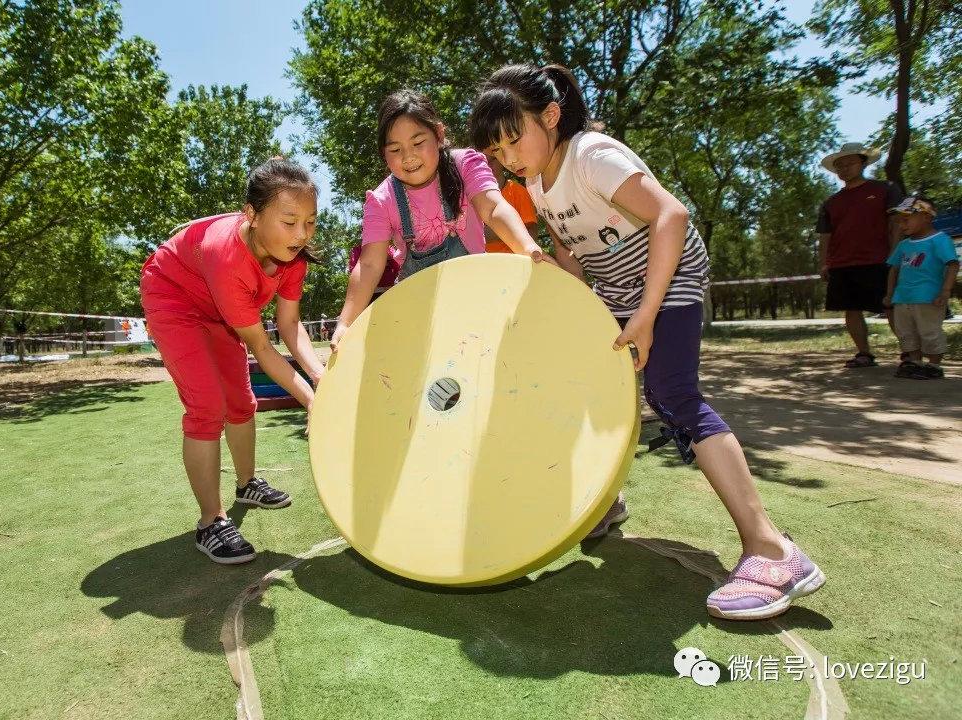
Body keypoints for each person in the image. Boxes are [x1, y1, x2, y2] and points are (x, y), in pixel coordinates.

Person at [470, 63, 825, 621]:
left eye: (514, 139)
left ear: (552, 116)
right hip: (614, 291)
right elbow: (571, 252)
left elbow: (671, 215)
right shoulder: (536, 183)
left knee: (672, 393)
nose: (508, 157)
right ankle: (601, 503)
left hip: (669, 275)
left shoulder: (592, 154)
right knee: (571, 384)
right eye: (497, 150)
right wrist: (572, 313)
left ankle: (773, 550)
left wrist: (646, 316)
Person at [139, 158, 326, 564]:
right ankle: (211, 522)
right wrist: (311, 400)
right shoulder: (227, 258)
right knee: (207, 404)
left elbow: (290, 326)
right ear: (252, 216)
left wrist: (319, 376)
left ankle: (246, 484)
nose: (302, 234)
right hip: (174, 298)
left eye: (310, 221)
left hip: (218, 309)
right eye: (290, 221)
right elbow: (263, 347)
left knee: (241, 401)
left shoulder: (293, 256)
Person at [330, 90, 553, 351]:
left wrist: (527, 246)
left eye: (417, 142)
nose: (408, 156)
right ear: (383, 153)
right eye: (395, 149)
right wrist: (346, 322)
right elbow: (368, 264)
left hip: (477, 297)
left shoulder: (465, 164)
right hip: (420, 311)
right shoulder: (381, 200)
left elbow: (492, 208)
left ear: (438, 134)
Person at [816, 142, 904, 368]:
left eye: (849, 163)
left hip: (880, 259)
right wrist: (824, 263)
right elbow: (825, 235)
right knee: (851, 308)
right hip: (843, 263)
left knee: (890, 305)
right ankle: (864, 353)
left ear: (862, 163)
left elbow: (896, 223)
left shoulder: (885, 189)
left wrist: (895, 254)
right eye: (840, 166)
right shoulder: (831, 202)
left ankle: (909, 353)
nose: (844, 168)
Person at [884, 197, 959, 379]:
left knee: (930, 331)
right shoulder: (903, 245)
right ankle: (915, 363)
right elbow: (894, 268)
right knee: (906, 332)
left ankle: (934, 365)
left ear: (926, 216)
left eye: (906, 219)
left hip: (928, 297)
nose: (901, 225)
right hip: (902, 297)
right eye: (899, 221)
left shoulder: (940, 240)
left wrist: (945, 291)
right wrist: (889, 293)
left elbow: (952, 265)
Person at [482, 152, 539, 253]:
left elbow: (531, 231)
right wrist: (509, 228)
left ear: (502, 160)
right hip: (478, 263)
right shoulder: (471, 197)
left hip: (513, 262)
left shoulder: (519, 191)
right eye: (483, 160)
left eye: (493, 159)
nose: (488, 164)